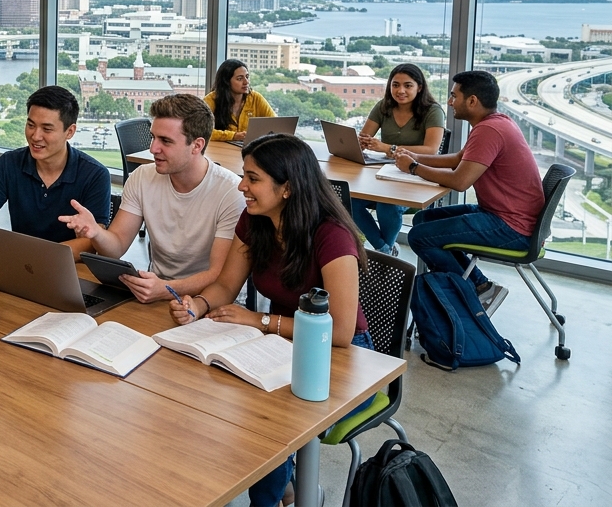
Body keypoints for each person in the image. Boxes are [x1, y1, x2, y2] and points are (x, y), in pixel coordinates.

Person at [168, 133, 370, 507]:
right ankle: (277, 488)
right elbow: (227, 284)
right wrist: (197, 304)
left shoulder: (331, 235)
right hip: (279, 342)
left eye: (253, 178)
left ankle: (270, 499)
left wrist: (258, 321)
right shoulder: (256, 220)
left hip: (342, 358)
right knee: (209, 388)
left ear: (287, 189)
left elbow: (341, 330)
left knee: (271, 419)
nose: (241, 186)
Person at [58, 94, 245, 302]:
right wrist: (95, 234)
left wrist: (166, 288)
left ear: (197, 145)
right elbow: (116, 246)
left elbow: (218, 274)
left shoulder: (230, 192)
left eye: (165, 141)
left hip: (208, 299)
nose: (153, 149)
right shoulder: (142, 177)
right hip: (153, 292)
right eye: (153, 137)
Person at [396, 70, 544, 315]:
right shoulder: (496, 122)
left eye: (454, 96)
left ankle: (470, 292)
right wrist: (416, 157)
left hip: (511, 227)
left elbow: (460, 180)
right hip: (507, 216)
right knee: (423, 219)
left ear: (472, 101)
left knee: (420, 237)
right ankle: (481, 286)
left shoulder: (489, 131)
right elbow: (458, 159)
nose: (450, 102)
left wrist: (413, 168)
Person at [0, 85, 111, 261]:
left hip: (70, 270)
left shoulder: (95, 175)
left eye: (47, 129)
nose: (35, 136)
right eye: (30, 125)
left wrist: (37, 255)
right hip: (22, 267)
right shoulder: (9, 163)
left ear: (70, 131)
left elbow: (93, 242)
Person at [351, 63, 445, 255]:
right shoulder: (383, 106)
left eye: (408, 85)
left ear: (419, 87)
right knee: (351, 201)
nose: (400, 90)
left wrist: (388, 148)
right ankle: (386, 249)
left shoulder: (433, 111)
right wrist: (359, 143)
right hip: (384, 174)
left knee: (388, 204)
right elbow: (364, 137)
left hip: (417, 175)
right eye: (395, 85)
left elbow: (431, 150)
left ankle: (384, 252)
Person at [204, 59, 275, 142]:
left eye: (247, 77)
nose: (246, 82)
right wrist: (233, 136)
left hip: (247, 148)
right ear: (226, 82)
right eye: (240, 78)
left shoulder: (255, 98)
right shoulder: (211, 99)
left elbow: (275, 125)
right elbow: (201, 131)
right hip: (219, 150)